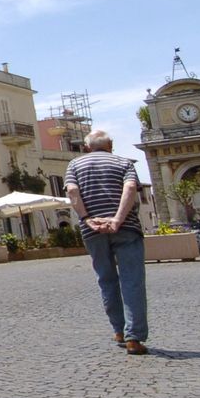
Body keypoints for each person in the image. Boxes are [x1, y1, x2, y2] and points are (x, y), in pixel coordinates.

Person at [64, 130, 149, 355]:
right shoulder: (124, 163)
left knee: (106, 279)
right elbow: (130, 189)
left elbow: (72, 191)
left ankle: (119, 330)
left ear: (86, 146)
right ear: (110, 144)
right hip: (126, 228)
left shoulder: (74, 165)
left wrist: (87, 219)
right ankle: (134, 338)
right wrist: (118, 220)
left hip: (92, 230)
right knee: (132, 281)